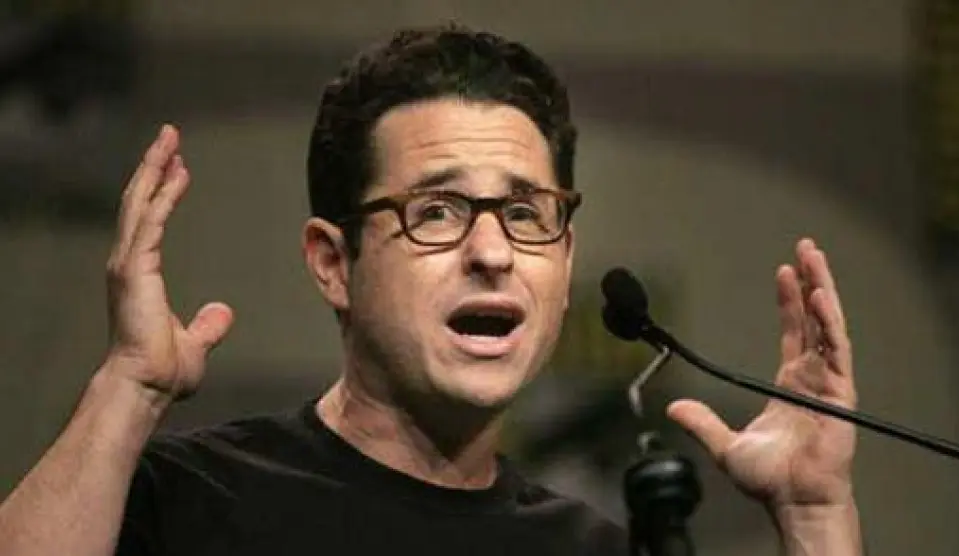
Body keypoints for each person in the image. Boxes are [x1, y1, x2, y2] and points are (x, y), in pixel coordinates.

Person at [0, 23, 862, 555]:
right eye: (438, 211)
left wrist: (814, 514)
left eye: (524, 213)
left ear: (566, 259)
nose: (492, 251)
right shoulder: (190, 502)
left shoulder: (602, 549)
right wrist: (129, 388)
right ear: (332, 262)